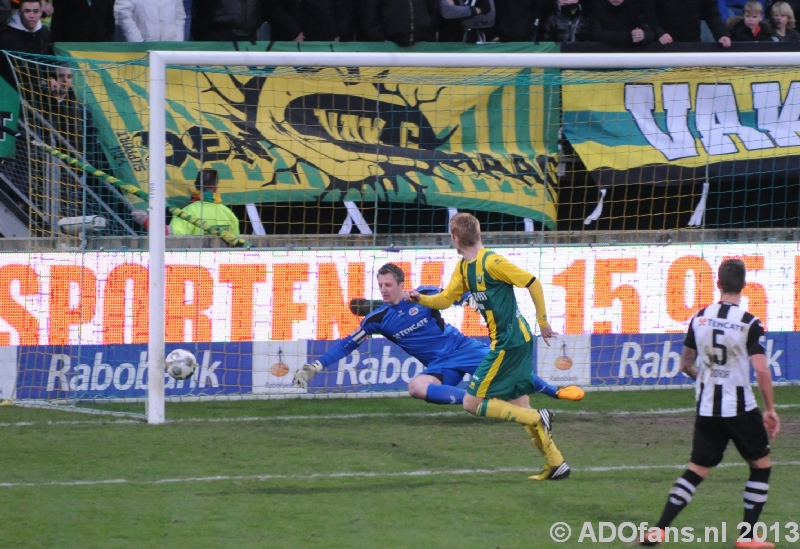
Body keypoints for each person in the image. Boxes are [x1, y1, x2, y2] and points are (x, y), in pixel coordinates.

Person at [405, 213, 571, 481]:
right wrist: (421, 299)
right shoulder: (463, 268)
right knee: (520, 404)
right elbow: (447, 299)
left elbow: (532, 282)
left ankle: (538, 418)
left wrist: (543, 322)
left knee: (472, 403)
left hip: (509, 344)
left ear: (456, 238)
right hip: (515, 342)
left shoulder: (492, 262)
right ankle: (556, 462)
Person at [640, 259, 780, 548]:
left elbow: (685, 364)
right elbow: (762, 369)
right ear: (744, 286)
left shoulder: (700, 317)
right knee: (761, 466)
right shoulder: (749, 323)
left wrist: (706, 378)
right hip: (740, 409)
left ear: (718, 284)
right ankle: (747, 537)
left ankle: (659, 530)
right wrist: (770, 409)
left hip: (707, 408)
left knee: (696, 469)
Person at [132, 169, 240, 236]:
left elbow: (170, 234)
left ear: (195, 184)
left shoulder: (187, 212)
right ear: (216, 186)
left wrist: (145, 220)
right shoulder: (229, 214)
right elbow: (237, 243)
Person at [0, 0, 52, 90]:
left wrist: (52, 77)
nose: (32, 16)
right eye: (27, 11)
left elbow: (50, 61)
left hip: (39, 93)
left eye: (36, 11)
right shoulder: (5, 37)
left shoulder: (46, 33)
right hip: (12, 93)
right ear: (20, 12)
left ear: (40, 13)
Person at [651, 0, 731, 47]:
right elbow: (648, 13)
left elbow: (711, 13)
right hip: (661, 44)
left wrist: (721, 35)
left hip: (692, 43)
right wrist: (659, 33)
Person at [361, 0, 438, 46]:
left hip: (421, 46)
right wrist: (381, 40)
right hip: (388, 47)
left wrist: (427, 37)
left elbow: (432, 11)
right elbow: (371, 15)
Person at [115, 0, 186, 42]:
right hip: (141, 47)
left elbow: (179, 16)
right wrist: (137, 42)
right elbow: (124, 16)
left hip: (170, 48)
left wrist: (178, 42)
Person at [49, 0, 115, 42]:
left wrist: (108, 39)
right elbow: (57, 20)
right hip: (71, 44)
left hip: (99, 44)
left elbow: (109, 19)